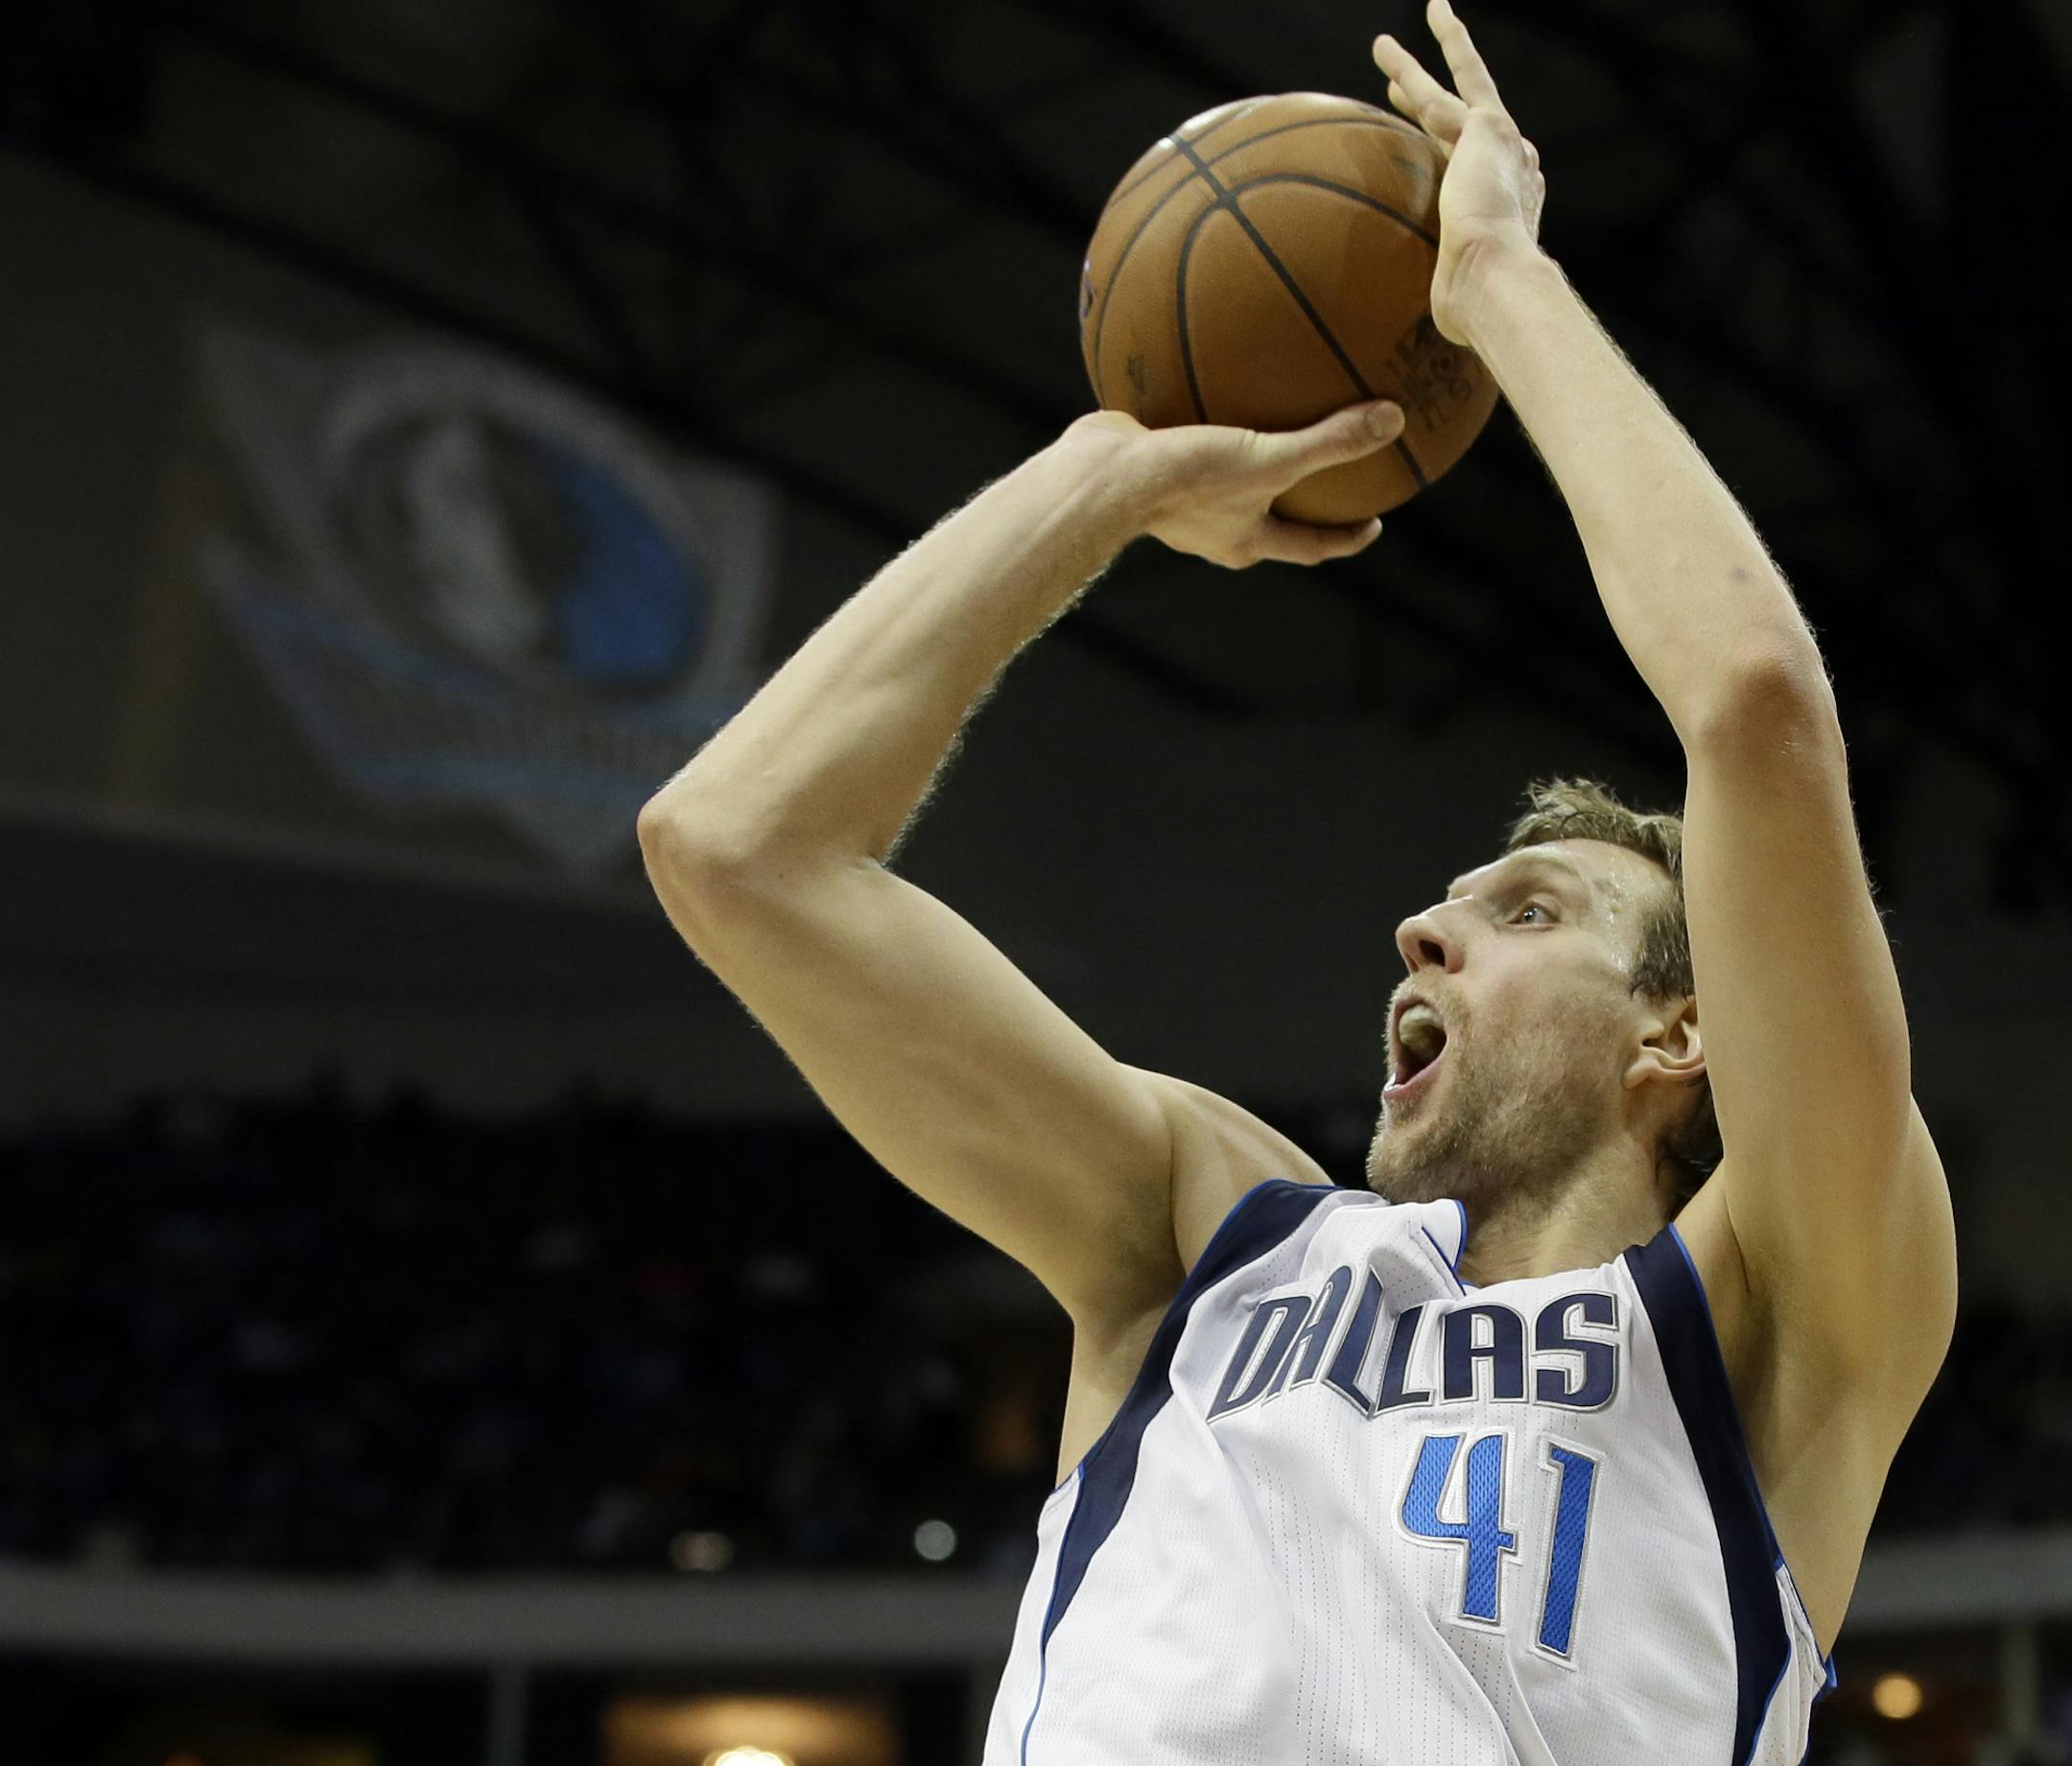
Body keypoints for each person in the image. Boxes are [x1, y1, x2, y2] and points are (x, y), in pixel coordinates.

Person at [636, 2, 1956, 1758]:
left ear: (1681, 1034)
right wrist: (1097, 483)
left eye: (1530, 911)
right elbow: (736, 849)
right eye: (1458, 902)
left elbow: (1758, 709)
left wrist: (1490, 282)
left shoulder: (1776, 1316)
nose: (1423, 927)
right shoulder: (1206, 1230)